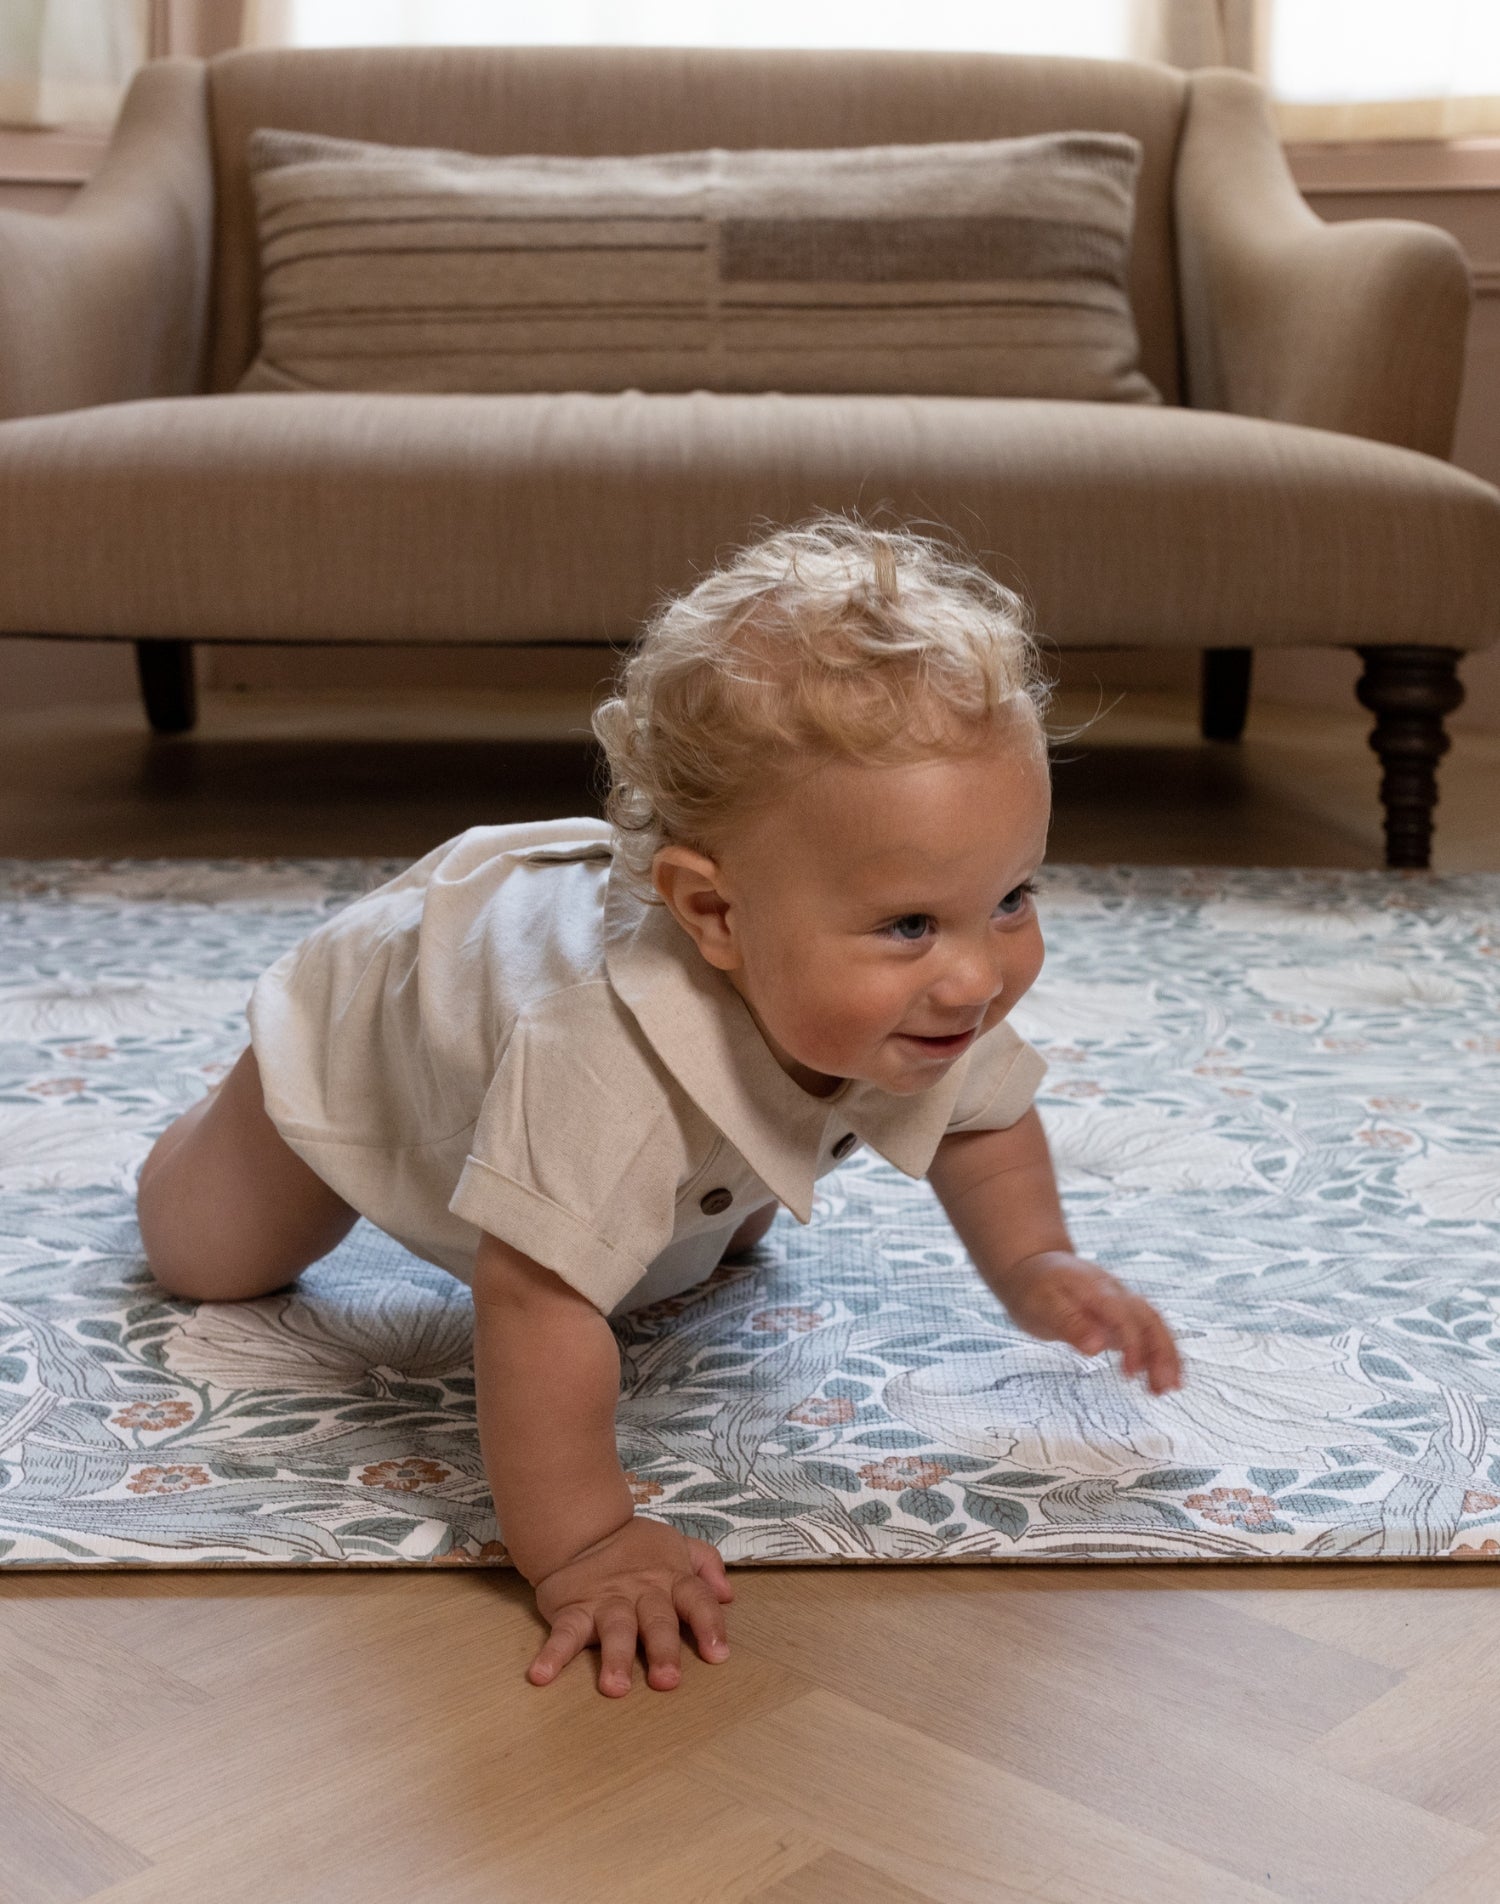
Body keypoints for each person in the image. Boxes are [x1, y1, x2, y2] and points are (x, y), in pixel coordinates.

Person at [136, 512, 1182, 1699]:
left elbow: (984, 1119)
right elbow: (530, 1298)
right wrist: (585, 1542)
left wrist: (1035, 1258)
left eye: (1010, 897)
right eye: (910, 924)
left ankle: (699, 1198)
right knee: (208, 1254)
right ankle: (210, 1124)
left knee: (677, 1248)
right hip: (383, 1034)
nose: (977, 974)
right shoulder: (598, 1059)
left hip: (653, 1094)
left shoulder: (924, 1000)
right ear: (716, 913)